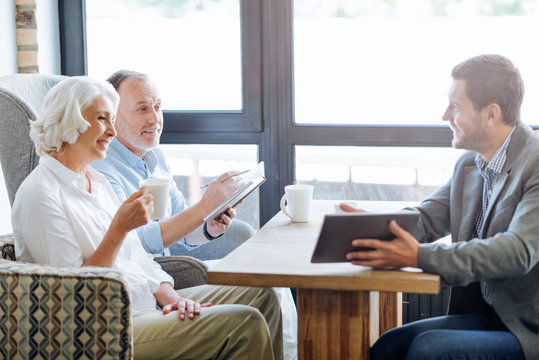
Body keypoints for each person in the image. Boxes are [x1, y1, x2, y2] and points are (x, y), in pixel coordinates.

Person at [11, 76, 284, 359]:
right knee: (244, 323)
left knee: (262, 296)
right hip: (110, 327)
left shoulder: (95, 180)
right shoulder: (41, 195)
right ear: (70, 121)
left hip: (147, 304)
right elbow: (77, 297)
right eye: (103, 119)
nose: (112, 132)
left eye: (112, 120)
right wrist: (119, 229)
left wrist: (175, 299)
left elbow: (139, 258)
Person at [92, 70, 298, 360]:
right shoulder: (101, 170)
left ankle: (291, 354)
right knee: (264, 283)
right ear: (112, 116)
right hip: (154, 273)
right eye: (142, 109)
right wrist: (201, 208)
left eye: (158, 106)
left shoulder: (155, 157)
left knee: (269, 269)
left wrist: (209, 225)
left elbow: (178, 222)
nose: (155, 118)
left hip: (169, 261)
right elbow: (136, 242)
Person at [343, 54, 538, 360]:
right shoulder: (470, 165)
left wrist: (420, 256)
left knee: (429, 350)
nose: (445, 114)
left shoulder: (535, 161)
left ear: (491, 114)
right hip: (483, 317)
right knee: (388, 347)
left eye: (455, 106)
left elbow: (517, 251)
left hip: (526, 330)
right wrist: (372, 228)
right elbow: (427, 217)